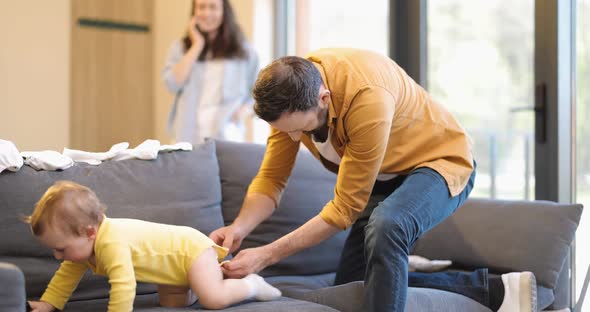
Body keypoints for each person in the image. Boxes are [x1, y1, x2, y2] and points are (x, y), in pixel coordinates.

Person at [209, 49, 537, 312]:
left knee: (387, 226)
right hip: (384, 175)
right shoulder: (288, 99)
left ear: (323, 98)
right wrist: (239, 229)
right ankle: (492, 288)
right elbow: (271, 178)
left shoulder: (366, 96)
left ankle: (394, 258)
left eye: (301, 129)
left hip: (440, 163)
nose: (294, 137)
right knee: (356, 282)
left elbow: (344, 210)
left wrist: (266, 254)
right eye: (286, 130)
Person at [25, 181, 280, 312]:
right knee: (173, 304)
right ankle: (211, 276)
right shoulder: (85, 247)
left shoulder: (112, 241)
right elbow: (65, 278)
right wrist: (49, 304)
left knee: (212, 299)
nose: (57, 256)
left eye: (61, 249)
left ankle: (250, 284)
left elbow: (124, 285)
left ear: (89, 232)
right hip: (172, 269)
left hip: (189, 252)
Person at [162, 0, 259, 144]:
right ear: (194, 12)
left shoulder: (244, 51)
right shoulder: (180, 48)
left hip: (227, 136)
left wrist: (241, 112)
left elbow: (257, 93)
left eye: (213, 7)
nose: (207, 13)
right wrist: (197, 45)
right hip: (187, 136)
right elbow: (172, 83)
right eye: (201, 7)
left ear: (224, 11)